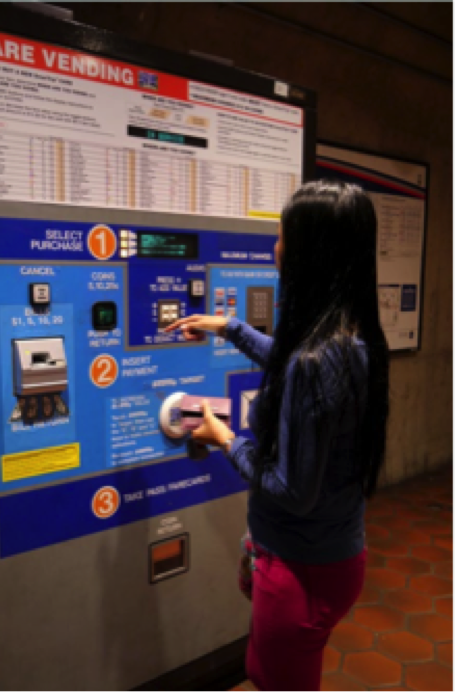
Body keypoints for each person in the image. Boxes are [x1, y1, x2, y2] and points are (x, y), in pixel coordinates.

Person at [165, 180, 389, 692]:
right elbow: (297, 367)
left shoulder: (316, 359)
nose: (275, 247)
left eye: (282, 236)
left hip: (300, 572)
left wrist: (225, 437)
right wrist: (231, 328)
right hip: (336, 557)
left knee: (272, 678)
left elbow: (291, 489)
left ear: (308, 254)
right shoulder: (354, 339)